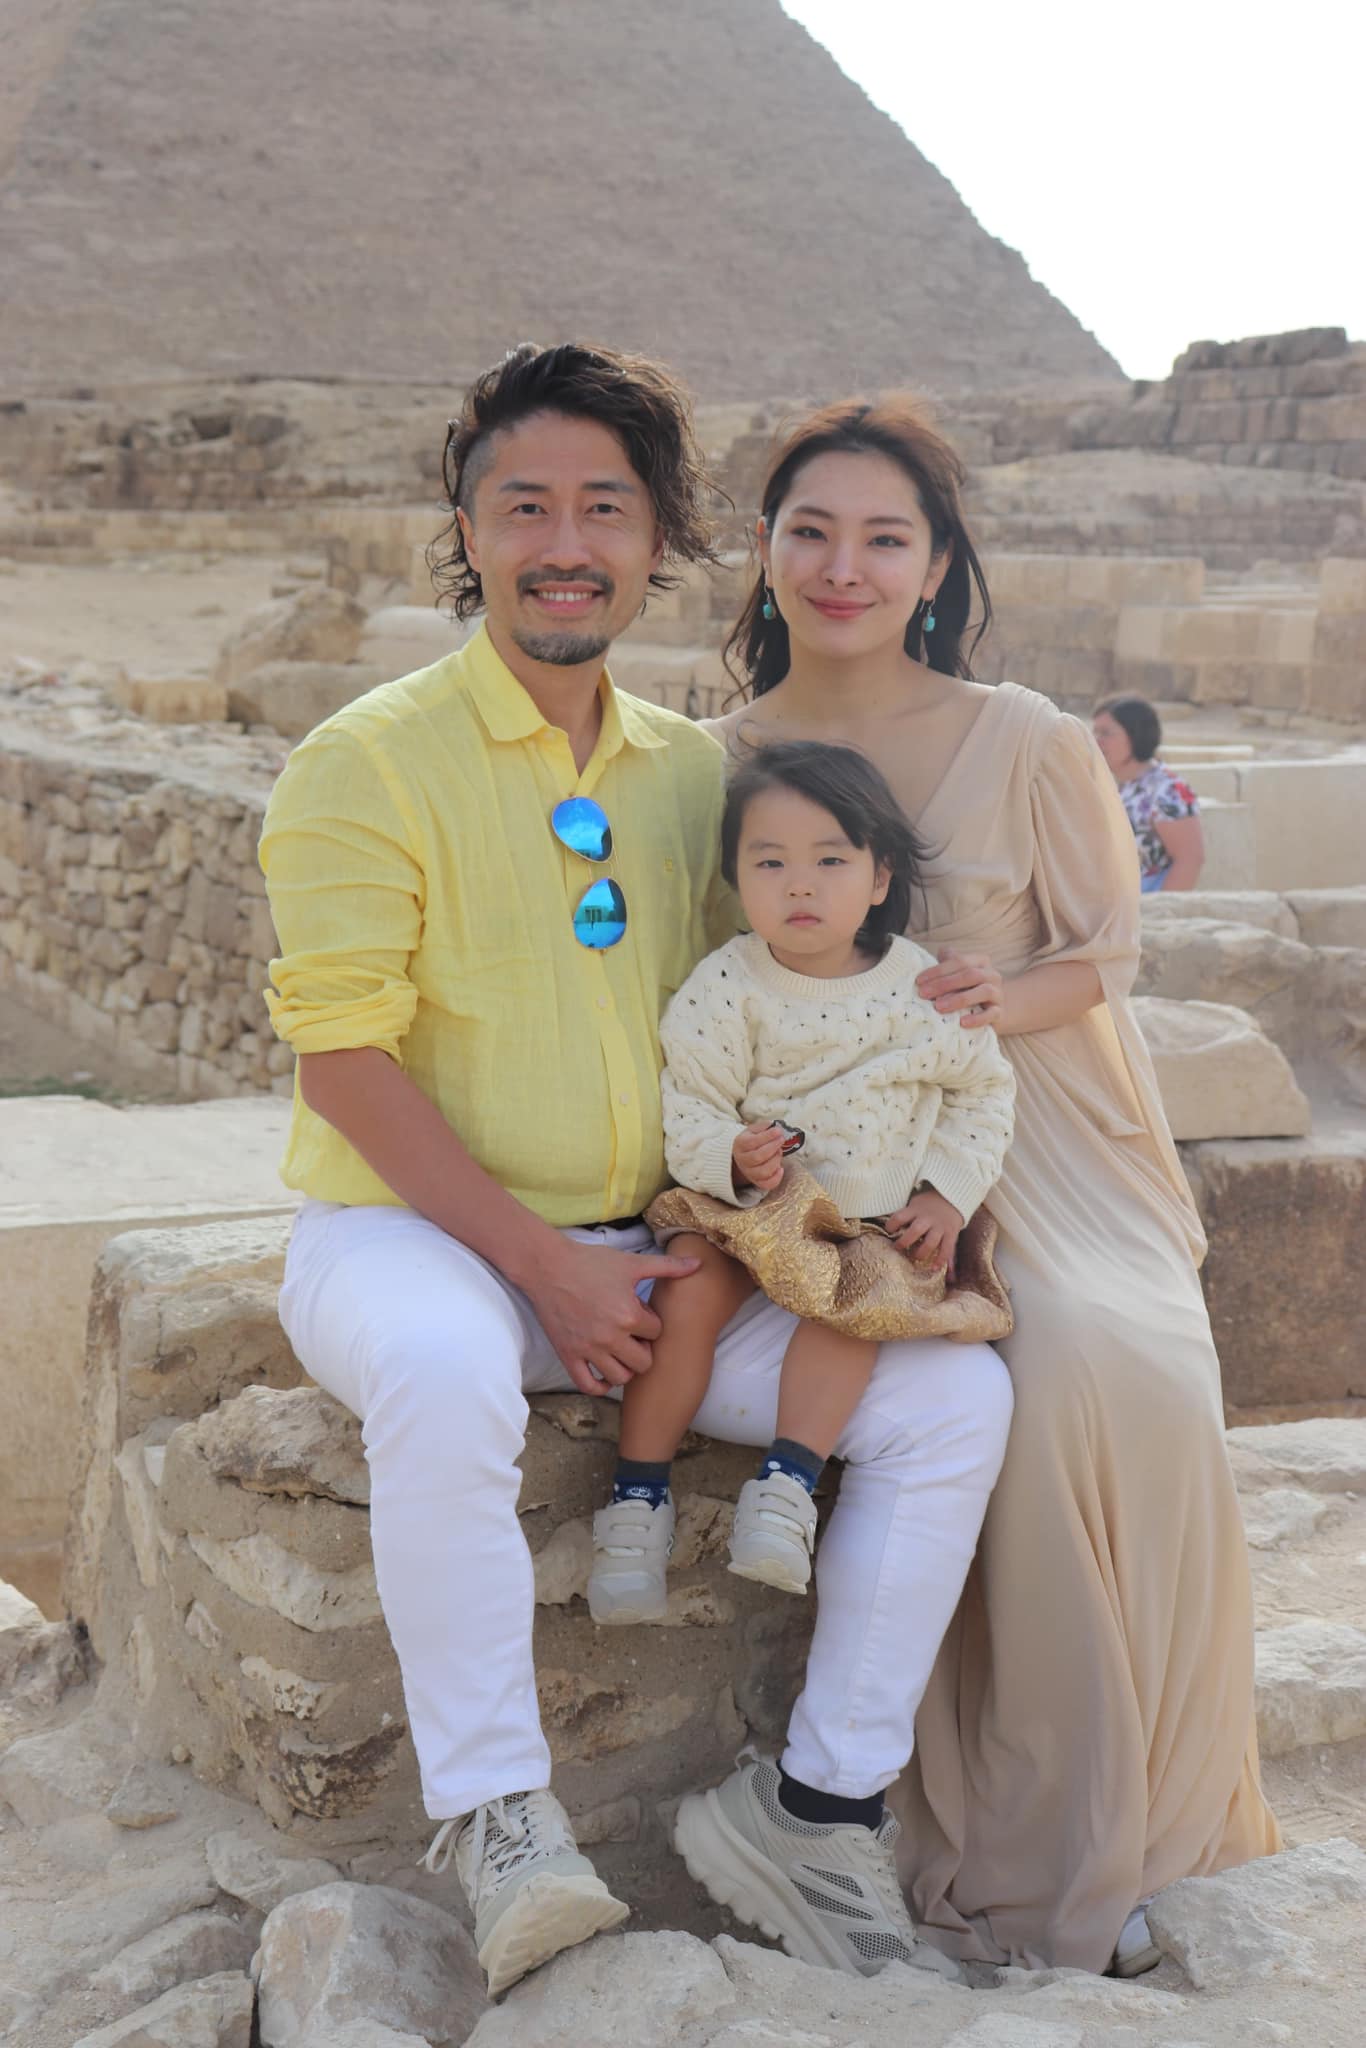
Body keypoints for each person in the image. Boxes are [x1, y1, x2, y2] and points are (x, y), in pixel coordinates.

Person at [259, 344, 1014, 1998]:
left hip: (670, 1256)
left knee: (952, 1399)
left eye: (605, 507)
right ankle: (499, 1819)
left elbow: (785, 998)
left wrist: (922, 1050)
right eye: (525, 506)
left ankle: (815, 1805)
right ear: (468, 529)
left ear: (658, 537)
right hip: (418, 1242)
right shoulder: (364, 763)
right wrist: (545, 1264)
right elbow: (344, 1062)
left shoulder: (691, 775)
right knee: (444, 1369)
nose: (564, 543)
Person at [700, 395, 1281, 1978]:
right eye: (810, 531)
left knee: (1113, 1364)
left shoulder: (1022, 735)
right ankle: (1017, 1837)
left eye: (883, 537)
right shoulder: (712, 760)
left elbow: (1102, 955)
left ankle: (1134, 1822)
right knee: (1010, 1375)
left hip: (1045, 1128)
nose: (843, 565)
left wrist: (984, 1000)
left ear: (937, 565)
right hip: (841, 1151)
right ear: (765, 551)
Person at [587, 740, 1015, 1621]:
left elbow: (983, 1094)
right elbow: (689, 1100)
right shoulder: (727, 985)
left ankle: (786, 1488)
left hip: (863, 1221)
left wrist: (946, 1196)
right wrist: (729, 1154)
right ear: (736, 879)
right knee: (688, 1287)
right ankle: (637, 1500)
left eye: (830, 861)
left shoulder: (921, 990)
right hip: (747, 1208)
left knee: (854, 1307)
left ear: (880, 875)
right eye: (769, 862)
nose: (800, 886)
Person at [1092, 696, 1204, 892]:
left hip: (1147, 903)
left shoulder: (1167, 790)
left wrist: (1163, 907)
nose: (1096, 741)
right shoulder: (1119, 784)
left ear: (1135, 735)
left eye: (1106, 733)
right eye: (1095, 732)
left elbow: (1190, 859)